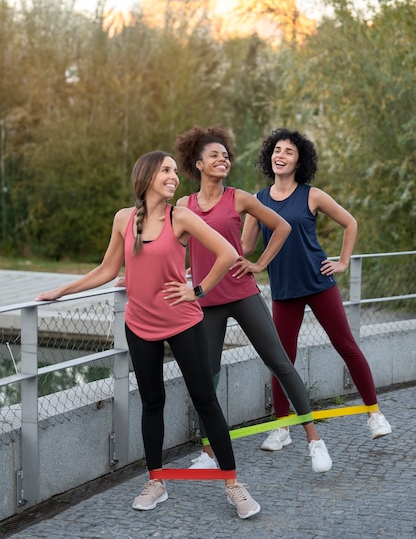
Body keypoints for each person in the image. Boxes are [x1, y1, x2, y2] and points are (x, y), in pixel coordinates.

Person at [36, 150, 261, 520]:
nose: (174, 176)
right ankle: (156, 481)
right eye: (166, 171)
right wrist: (62, 291)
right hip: (139, 325)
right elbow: (108, 269)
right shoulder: (124, 219)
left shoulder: (181, 216)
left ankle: (233, 484)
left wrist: (197, 291)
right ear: (146, 177)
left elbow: (226, 253)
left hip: (183, 321)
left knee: (206, 400)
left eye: (175, 170)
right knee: (152, 402)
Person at [174, 126, 332, 474]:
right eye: (214, 155)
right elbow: (174, 248)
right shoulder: (184, 206)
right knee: (208, 378)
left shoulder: (240, 198)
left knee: (280, 362)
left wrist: (260, 263)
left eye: (225, 155)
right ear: (198, 163)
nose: (222, 159)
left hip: (243, 295)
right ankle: (208, 454)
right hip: (207, 304)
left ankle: (314, 441)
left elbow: (283, 227)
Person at [241, 128, 392, 452]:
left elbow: (350, 223)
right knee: (282, 359)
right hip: (284, 289)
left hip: (319, 284)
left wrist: (343, 262)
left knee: (346, 345)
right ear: (270, 156)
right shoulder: (258, 201)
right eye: (277, 150)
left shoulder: (311, 195)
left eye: (289, 152)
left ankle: (374, 414)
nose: (280, 155)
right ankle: (282, 428)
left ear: (299, 161)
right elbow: (244, 247)